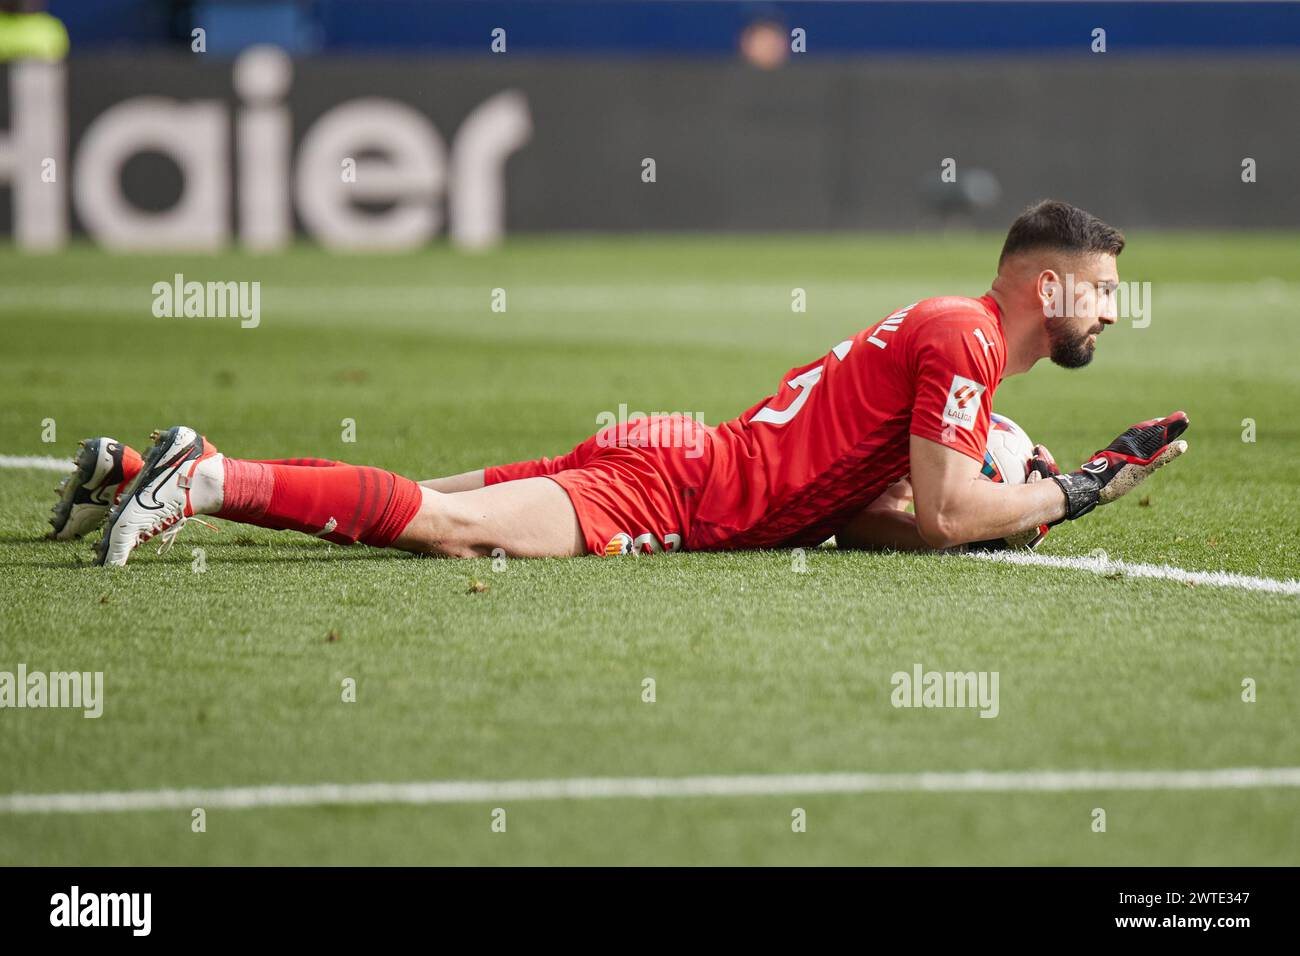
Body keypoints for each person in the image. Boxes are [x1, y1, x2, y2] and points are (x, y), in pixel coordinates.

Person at [51, 200, 1187, 567]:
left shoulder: (956, 345)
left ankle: (156, 464)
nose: (1109, 309)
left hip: (687, 457)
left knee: (412, 502)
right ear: (1045, 285)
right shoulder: (970, 344)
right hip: (676, 490)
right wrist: (1074, 490)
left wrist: (1009, 515)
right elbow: (944, 509)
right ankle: (196, 481)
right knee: (445, 526)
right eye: (1098, 290)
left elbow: (871, 520)